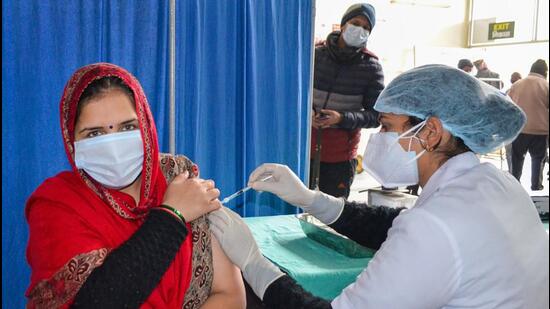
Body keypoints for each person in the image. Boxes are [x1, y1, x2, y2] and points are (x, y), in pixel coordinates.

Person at [209, 65, 549, 308]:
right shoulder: (497, 183)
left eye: (387, 127)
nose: (379, 138)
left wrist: (253, 263)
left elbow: (423, 233)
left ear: (430, 132)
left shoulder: (436, 226)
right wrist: (310, 199)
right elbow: (395, 226)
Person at [25, 63, 246, 308]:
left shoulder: (178, 176)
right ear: (72, 140)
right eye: (94, 134)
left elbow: (230, 295)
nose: (112, 146)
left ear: (147, 127)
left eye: (127, 127)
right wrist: (173, 214)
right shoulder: (56, 205)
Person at [310, 2, 383, 198]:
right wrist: (308, 112)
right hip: (303, 150)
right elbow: (295, 93)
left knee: (333, 215)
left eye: (366, 27)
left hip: (339, 157)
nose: (360, 29)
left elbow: (376, 116)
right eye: (355, 23)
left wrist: (341, 118)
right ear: (343, 25)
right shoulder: (315, 55)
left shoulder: (371, 67)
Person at [509, 59, 549, 191]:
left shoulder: (517, 85)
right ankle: (536, 186)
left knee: (517, 158)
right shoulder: (546, 85)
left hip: (520, 129)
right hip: (540, 131)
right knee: (538, 159)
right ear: (545, 71)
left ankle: (515, 185)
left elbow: (509, 105)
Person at [503, 71, 523, 172]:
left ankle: (512, 172)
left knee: (510, 153)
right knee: (515, 154)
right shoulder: (524, 92)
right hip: (517, 127)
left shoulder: (507, 92)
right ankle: (513, 173)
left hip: (509, 127)